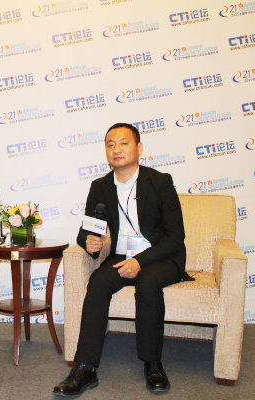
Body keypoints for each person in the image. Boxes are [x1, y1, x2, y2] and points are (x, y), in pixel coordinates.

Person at [53, 123, 192, 396]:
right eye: (110, 144)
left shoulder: (160, 182)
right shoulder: (101, 186)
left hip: (162, 256)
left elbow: (176, 236)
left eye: (124, 143)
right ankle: (85, 368)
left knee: (148, 281)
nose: (116, 149)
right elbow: (87, 230)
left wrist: (140, 261)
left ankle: (152, 363)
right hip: (122, 255)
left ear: (139, 148)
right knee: (98, 282)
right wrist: (89, 242)